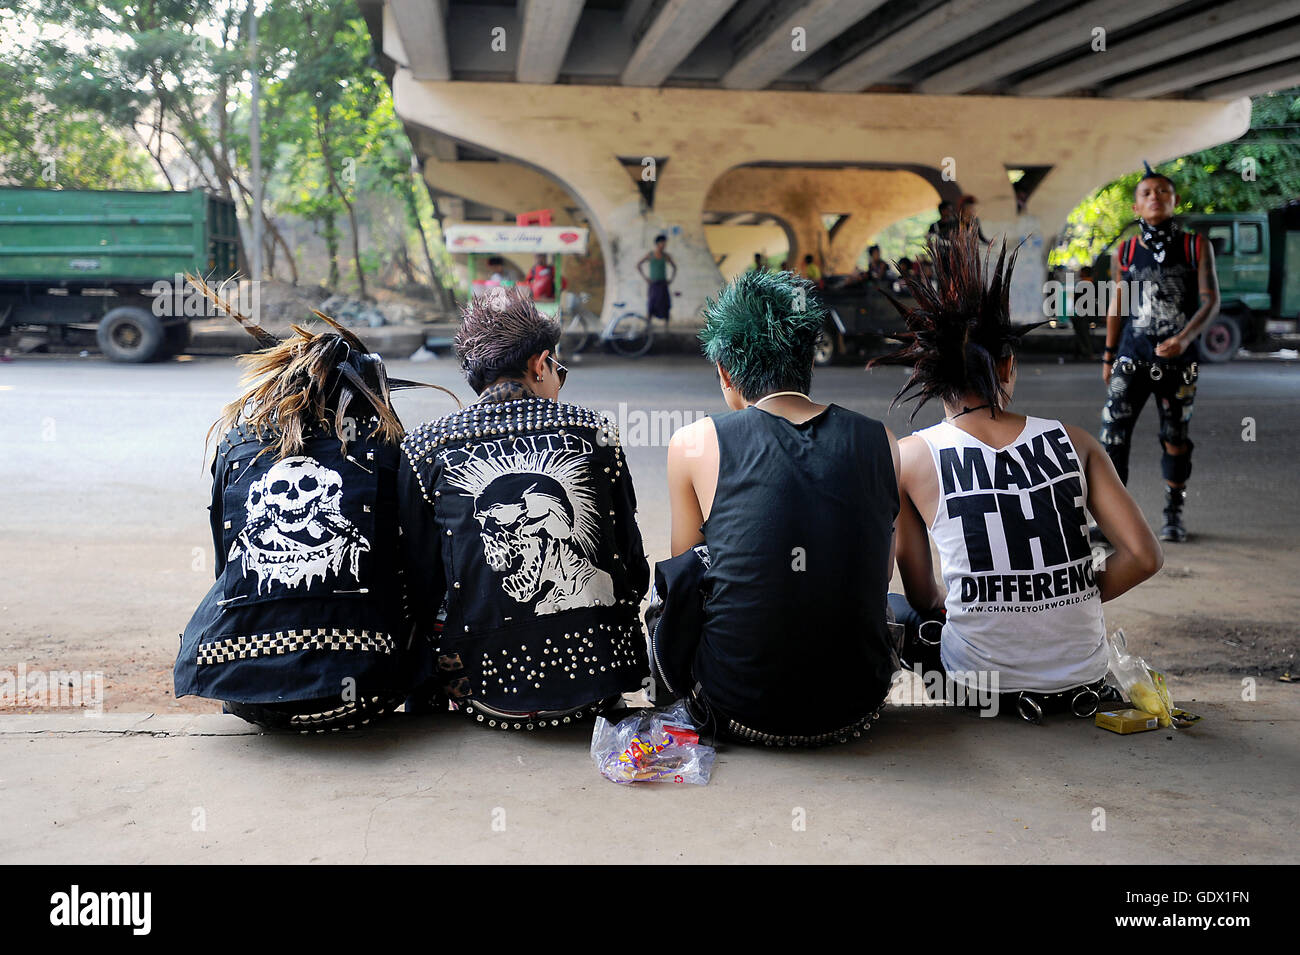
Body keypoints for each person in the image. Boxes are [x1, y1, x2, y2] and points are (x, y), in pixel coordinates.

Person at [878, 226, 1163, 722]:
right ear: (1007, 365)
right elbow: (1143, 557)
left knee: (895, 607)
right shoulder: (1076, 441)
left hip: (975, 690)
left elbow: (924, 594)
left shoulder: (911, 456)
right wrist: (1069, 586)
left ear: (930, 377)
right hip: (1085, 679)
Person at [175, 286, 456, 730]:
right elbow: (424, 575)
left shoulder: (235, 446)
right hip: (367, 692)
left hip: (245, 696)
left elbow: (225, 564)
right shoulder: (386, 450)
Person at [663, 269, 901, 746]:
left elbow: (687, 577)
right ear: (808, 361)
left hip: (733, 706)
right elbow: (882, 569)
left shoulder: (693, 442)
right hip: (857, 704)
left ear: (726, 373)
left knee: (680, 579)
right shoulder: (882, 441)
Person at [398, 288, 651, 730]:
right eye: (559, 370)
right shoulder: (597, 432)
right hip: (598, 684)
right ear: (540, 362)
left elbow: (418, 585)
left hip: (480, 694)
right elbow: (633, 568)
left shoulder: (425, 446)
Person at [1100, 167, 1219, 542]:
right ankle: (1112, 523)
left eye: (1163, 191)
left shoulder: (1194, 245)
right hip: (1131, 358)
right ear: (1137, 205)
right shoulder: (1127, 250)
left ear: (1174, 201)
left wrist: (1185, 338)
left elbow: (1211, 300)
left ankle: (1173, 514)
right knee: (1112, 438)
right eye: (1148, 192)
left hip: (1178, 363)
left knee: (1175, 436)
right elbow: (1118, 303)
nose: (1155, 196)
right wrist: (1108, 355)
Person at [637, 234, 676, 323]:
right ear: (658, 244)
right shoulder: (650, 255)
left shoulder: (666, 256)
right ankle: (648, 326)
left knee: (665, 304)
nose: (665, 245)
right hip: (653, 284)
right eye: (663, 243)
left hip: (663, 284)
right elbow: (638, 265)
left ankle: (666, 328)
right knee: (651, 304)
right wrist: (645, 278)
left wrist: (671, 280)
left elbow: (674, 267)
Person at [1071, 265, 1096, 361]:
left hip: (1084, 313)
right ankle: (1081, 352)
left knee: (1082, 332)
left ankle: (1087, 352)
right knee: (1080, 332)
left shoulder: (1084, 285)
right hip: (1084, 313)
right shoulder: (1092, 284)